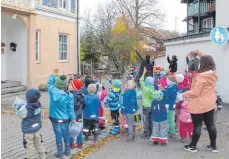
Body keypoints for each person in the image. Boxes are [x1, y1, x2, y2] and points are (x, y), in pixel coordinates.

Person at [184, 55, 218, 153]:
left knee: (197, 126)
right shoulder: (213, 74)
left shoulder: (200, 77)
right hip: (210, 103)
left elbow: (195, 92)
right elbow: (206, 58)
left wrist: (185, 94)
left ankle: (192, 146)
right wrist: (197, 52)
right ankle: (213, 146)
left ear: (202, 63)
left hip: (198, 104)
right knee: (210, 124)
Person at [47, 69, 76, 158]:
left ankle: (59, 152)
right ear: (65, 85)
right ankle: (67, 151)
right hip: (65, 119)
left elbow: (49, 83)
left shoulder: (52, 91)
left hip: (55, 118)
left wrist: (53, 74)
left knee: (58, 134)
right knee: (66, 134)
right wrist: (73, 119)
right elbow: (70, 109)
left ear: (57, 84)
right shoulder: (70, 95)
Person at [21, 89, 46, 159]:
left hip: (28, 130)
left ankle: (30, 157)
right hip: (37, 129)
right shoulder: (38, 105)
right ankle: (43, 155)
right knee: (39, 143)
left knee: (29, 145)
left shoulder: (25, 108)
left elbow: (22, 116)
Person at [139, 67, 156, 139]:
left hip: (146, 107)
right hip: (152, 107)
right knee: (151, 120)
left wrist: (143, 73)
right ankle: (152, 132)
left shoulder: (144, 88)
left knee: (145, 120)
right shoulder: (153, 89)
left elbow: (141, 81)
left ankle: (146, 133)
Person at [68, 79, 84, 149]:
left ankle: (71, 143)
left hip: (73, 116)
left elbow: (71, 106)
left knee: (72, 130)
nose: (69, 85)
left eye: (70, 84)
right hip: (79, 115)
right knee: (78, 129)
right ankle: (80, 143)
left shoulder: (72, 96)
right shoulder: (81, 94)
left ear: (74, 87)